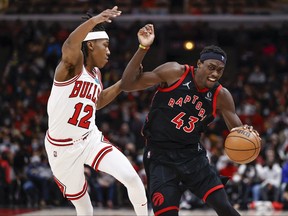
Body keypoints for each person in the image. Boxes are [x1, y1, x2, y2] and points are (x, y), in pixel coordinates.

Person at [120, 24, 261, 216]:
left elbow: (238, 131)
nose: (215, 73)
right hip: (160, 156)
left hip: (192, 157)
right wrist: (143, 48)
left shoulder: (221, 95)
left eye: (220, 70)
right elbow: (128, 84)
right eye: (211, 67)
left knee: (224, 207)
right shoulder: (174, 72)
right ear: (199, 64)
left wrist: (250, 138)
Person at [44, 7, 148, 216]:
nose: (109, 51)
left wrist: (121, 84)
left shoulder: (97, 74)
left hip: (89, 138)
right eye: (106, 45)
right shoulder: (72, 65)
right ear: (90, 45)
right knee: (85, 208)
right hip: (61, 148)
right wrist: (94, 21)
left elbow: (97, 102)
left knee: (132, 178)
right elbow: (69, 44)